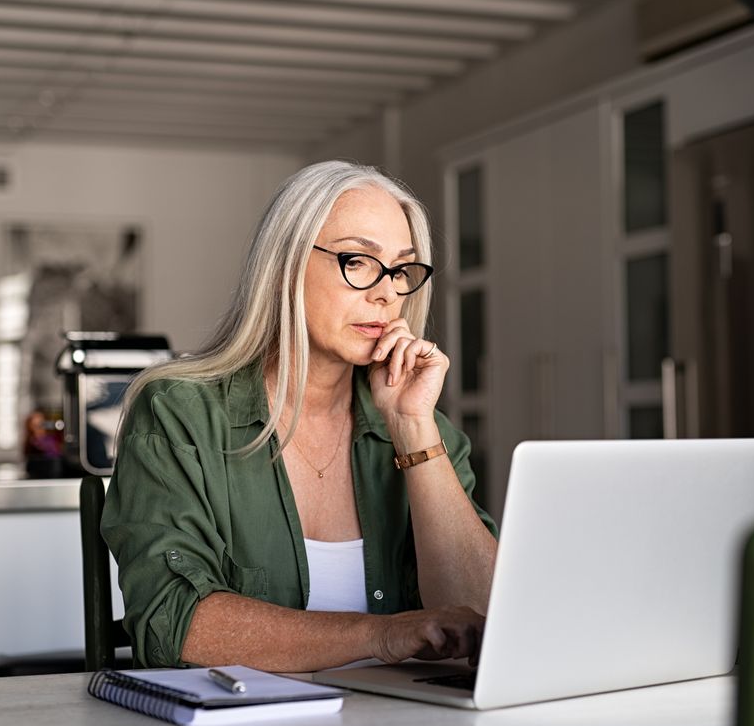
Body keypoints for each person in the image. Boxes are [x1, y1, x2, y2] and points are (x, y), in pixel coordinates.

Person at [102, 160, 498, 673]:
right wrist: (381, 635)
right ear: (286, 264)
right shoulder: (180, 413)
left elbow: (487, 619)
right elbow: (174, 625)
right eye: (358, 260)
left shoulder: (425, 431)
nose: (388, 293)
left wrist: (412, 430)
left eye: (401, 270)